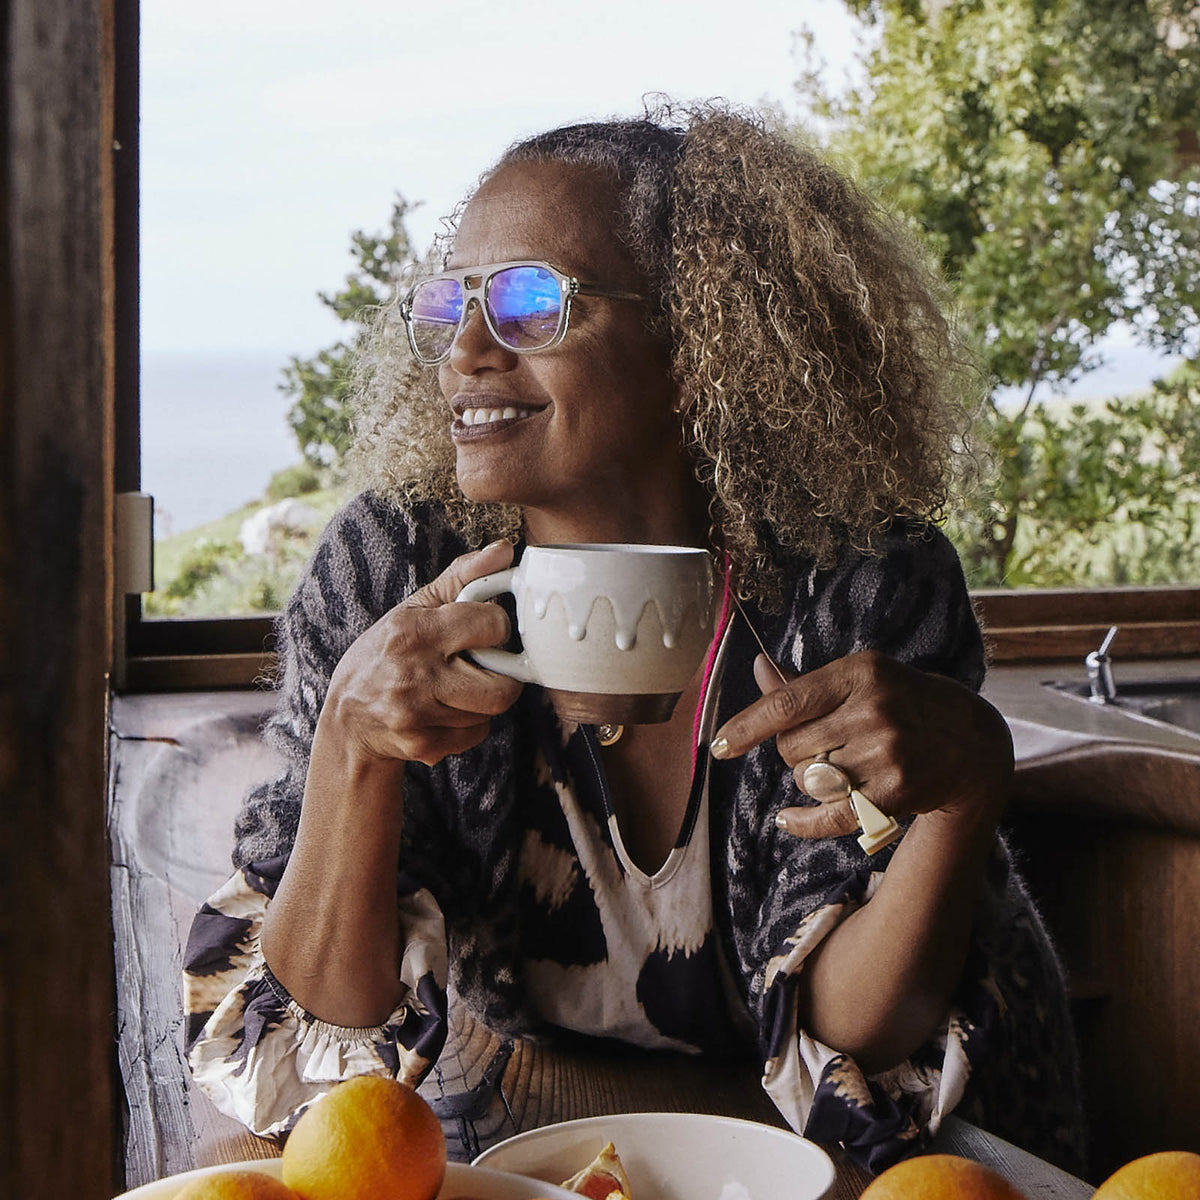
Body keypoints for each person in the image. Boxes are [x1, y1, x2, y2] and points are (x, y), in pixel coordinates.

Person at [183, 102, 1085, 1173]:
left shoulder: (862, 582)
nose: (465, 352)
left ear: (701, 345)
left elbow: (861, 1044)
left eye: (528, 303)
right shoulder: (393, 568)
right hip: (548, 1134)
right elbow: (305, 1032)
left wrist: (965, 794)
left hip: (916, 1161)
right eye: (451, 304)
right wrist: (350, 744)